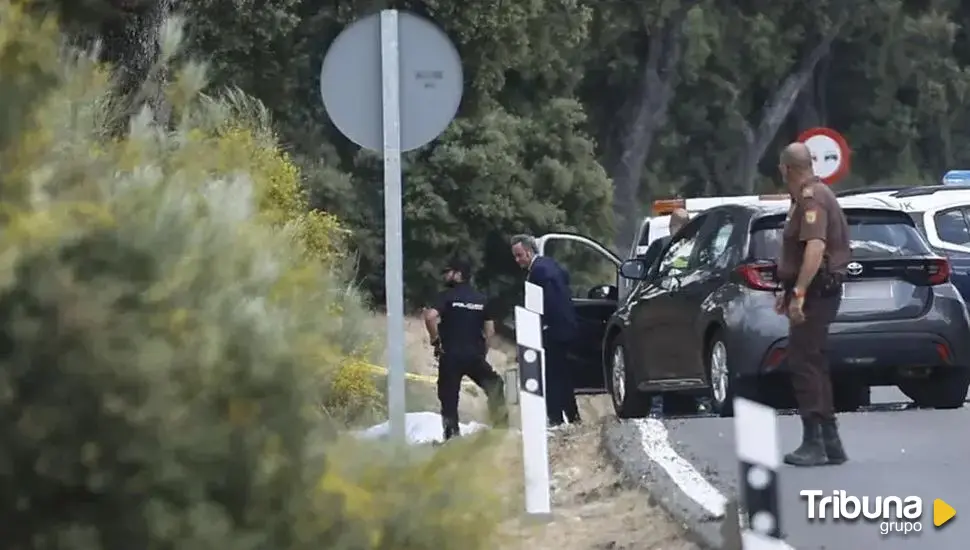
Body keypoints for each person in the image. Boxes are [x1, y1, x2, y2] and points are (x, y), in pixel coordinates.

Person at [775, 142, 851, 467]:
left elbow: (815, 248)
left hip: (817, 292)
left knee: (803, 362)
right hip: (816, 290)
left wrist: (800, 293)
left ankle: (815, 441)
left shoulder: (812, 199)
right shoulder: (813, 196)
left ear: (786, 169)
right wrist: (788, 288)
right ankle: (830, 441)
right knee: (814, 361)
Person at [423, 258, 508, 441]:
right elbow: (490, 331)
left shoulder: (447, 296)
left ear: (458, 274)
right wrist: (482, 352)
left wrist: (435, 340)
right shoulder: (481, 299)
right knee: (495, 385)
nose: (446, 275)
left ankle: (452, 437)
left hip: (450, 356)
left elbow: (430, 317)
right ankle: (501, 429)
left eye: (448, 272)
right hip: (473, 356)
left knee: (449, 399)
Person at [509, 234, 581, 429]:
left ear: (529, 251)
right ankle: (573, 417)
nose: (517, 260)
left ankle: (555, 418)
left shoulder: (537, 273)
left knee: (551, 376)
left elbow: (536, 308)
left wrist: (537, 329)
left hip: (553, 330)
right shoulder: (551, 265)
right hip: (567, 326)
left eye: (519, 255)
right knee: (564, 375)